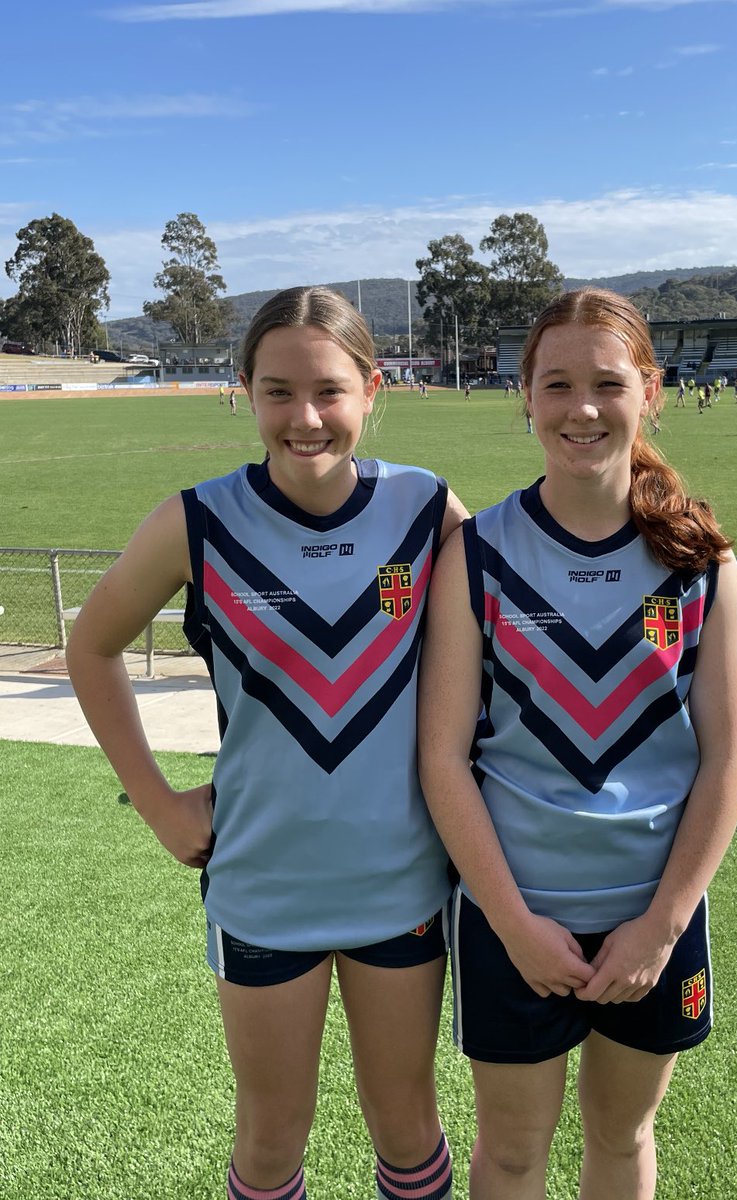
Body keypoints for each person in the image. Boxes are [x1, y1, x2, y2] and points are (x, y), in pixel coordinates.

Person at [66, 287, 466, 1200]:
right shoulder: (196, 522)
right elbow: (92, 646)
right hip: (261, 882)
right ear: (242, 388)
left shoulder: (425, 508)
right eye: (278, 391)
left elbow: (518, 614)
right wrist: (159, 803)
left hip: (399, 878)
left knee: (407, 1126)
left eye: (329, 391)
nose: (306, 418)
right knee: (271, 1135)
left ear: (373, 388)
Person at [418, 287, 737, 1200]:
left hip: (655, 924)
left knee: (624, 1138)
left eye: (608, 383)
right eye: (556, 383)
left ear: (650, 389)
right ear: (524, 393)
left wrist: (662, 925)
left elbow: (728, 759)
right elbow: (442, 757)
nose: (582, 408)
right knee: (514, 1154)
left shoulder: (700, 559)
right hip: (513, 918)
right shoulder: (476, 553)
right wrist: (515, 924)